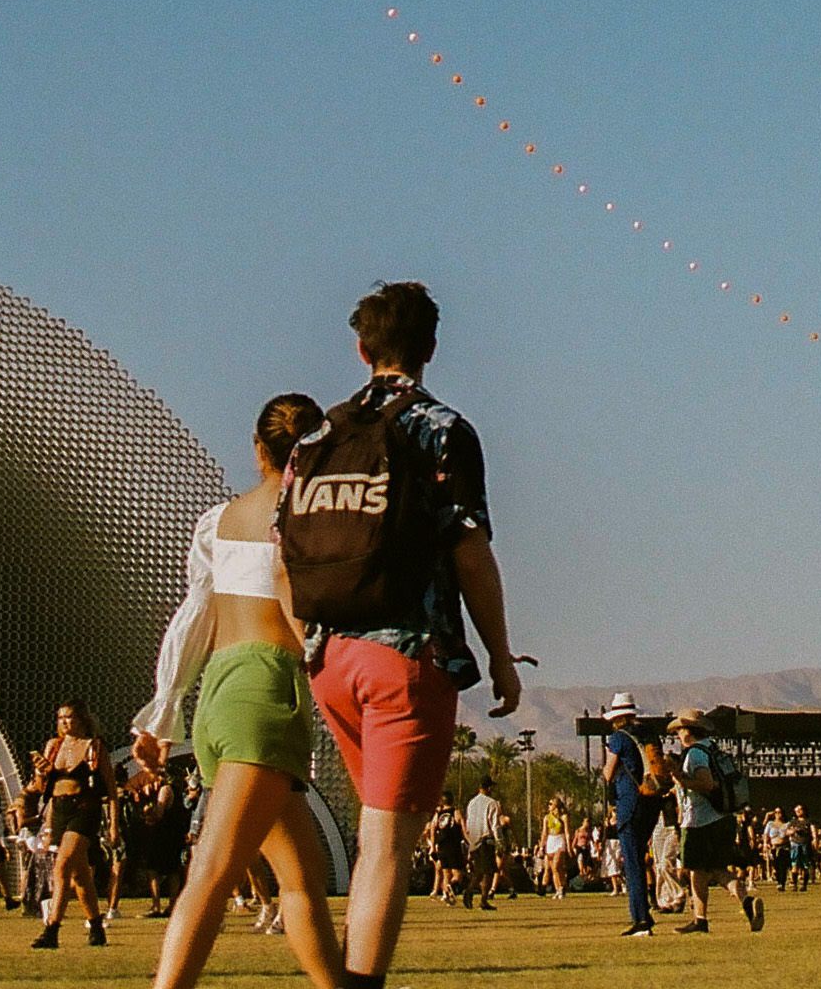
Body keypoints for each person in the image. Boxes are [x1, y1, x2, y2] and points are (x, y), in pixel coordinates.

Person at [298, 283, 522, 989]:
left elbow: (285, 550)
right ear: (430, 348)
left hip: (330, 657)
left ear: (360, 349)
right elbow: (468, 549)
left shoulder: (317, 435)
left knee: (373, 832)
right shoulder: (441, 428)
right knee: (386, 847)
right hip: (406, 656)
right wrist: (498, 655)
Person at [131, 392, 346, 989]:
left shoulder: (218, 522)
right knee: (212, 872)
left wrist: (165, 710)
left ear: (258, 451)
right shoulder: (316, 521)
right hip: (266, 694)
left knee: (302, 879)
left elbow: (194, 617)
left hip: (218, 694)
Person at [665, 707, 763, 935]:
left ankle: (700, 919)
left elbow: (706, 784)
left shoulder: (695, 754)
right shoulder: (712, 749)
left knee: (696, 870)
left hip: (700, 821)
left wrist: (680, 779)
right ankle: (747, 901)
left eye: (680, 729)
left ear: (689, 731)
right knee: (719, 870)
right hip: (723, 819)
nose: (678, 734)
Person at [31, 700, 117, 948]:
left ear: (81, 719)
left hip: (84, 809)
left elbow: (111, 790)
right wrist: (40, 773)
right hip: (59, 810)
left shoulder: (94, 748)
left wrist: (114, 826)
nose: (65, 723)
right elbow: (41, 789)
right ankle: (97, 928)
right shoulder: (53, 747)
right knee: (80, 877)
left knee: (62, 865)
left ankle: (52, 929)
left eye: (69, 717)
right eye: (60, 718)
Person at [599, 694, 666, 939]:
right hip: (652, 801)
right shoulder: (649, 733)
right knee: (640, 857)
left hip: (630, 801)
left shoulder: (618, 738)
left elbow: (609, 772)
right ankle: (646, 912)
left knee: (633, 863)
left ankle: (640, 919)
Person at [463, 774, 504, 909]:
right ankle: (482, 899)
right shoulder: (492, 803)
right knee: (488, 872)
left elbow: (469, 822)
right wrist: (500, 842)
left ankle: (470, 892)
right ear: (489, 788)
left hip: (474, 839)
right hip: (486, 840)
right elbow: (495, 825)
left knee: (479, 871)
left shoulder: (472, 803)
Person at [541, 795, 574, 898]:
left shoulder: (564, 817)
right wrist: (541, 847)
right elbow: (544, 833)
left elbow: (567, 832)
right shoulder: (546, 817)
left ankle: (560, 888)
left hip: (559, 840)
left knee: (556, 865)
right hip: (551, 840)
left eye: (551, 804)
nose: (549, 806)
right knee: (555, 869)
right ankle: (559, 889)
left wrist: (569, 847)